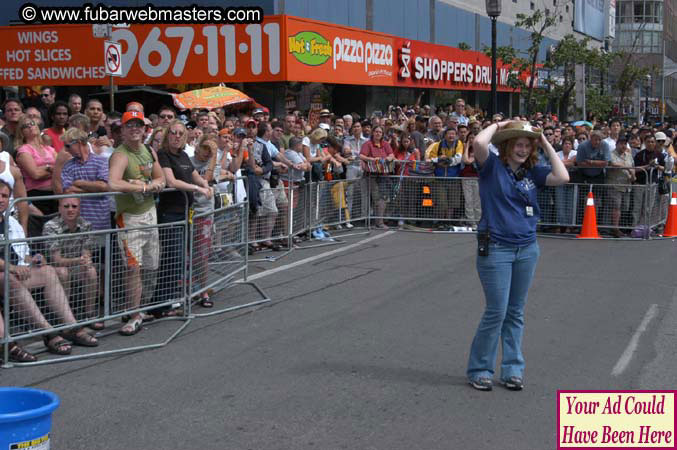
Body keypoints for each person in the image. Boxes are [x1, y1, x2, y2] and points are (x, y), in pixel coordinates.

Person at [467, 120, 569, 391]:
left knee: (515, 312)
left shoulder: (532, 173)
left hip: (527, 249)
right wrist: (498, 124)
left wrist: (544, 141)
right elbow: (478, 143)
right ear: (507, 146)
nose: (522, 150)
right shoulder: (491, 167)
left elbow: (563, 177)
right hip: (496, 248)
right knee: (496, 312)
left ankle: (512, 369)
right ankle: (480, 368)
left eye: (526, 145)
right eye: (518, 145)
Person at [0, 180, 99, 355]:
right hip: (5, 274)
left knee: (48, 271)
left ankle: (71, 327)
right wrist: (13, 267)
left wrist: (35, 259)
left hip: (14, 271)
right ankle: (49, 331)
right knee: (9, 277)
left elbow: (23, 254)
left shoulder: (11, 222)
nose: (1, 199)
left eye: (5, 196)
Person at [108, 110, 166, 335]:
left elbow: (160, 177)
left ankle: (140, 308)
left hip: (150, 213)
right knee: (133, 268)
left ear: (144, 129)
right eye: (129, 125)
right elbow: (113, 183)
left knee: (152, 265)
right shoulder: (120, 155)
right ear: (122, 130)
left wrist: (150, 184)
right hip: (129, 218)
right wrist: (142, 186)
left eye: (138, 125)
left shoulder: (148, 150)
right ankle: (133, 314)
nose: (134, 129)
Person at [155, 120, 212, 310]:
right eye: (173, 133)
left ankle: (167, 299)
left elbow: (194, 174)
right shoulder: (163, 154)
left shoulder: (184, 155)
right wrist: (198, 188)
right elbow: (171, 182)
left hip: (186, 211)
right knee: (173, 257)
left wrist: (204, 184)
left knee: (179, 257)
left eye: (180, 133)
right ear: (167, 135)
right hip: (171, 213)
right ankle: (163, 302)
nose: (177, 136)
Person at [43, 197, 101, 328]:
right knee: (63, 272)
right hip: (53, 267)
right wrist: (79, 260)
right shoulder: (50, 226)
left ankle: (89, 315)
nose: (70, 209)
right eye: (66, 206)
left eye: (74, 206)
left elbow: (87, 252)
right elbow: (56, 260)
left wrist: (86, 260)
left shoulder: (86, 225)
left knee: (91, 271)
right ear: (59, 209)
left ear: (79, 209)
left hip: (76, 265)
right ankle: (66, 318)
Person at [15, 115, 58, 215]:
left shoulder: (49, 148)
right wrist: (51, 168)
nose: (30, 127)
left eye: (32, 124)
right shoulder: (23, 150)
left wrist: (46, 169)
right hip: (37, 196)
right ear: (21, 132)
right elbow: (35, 174)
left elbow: (61, 169)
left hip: (55, 194)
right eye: (26, 126)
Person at [360, 125, 394, 229]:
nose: (378, 133)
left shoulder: (385, 144)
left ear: (382, 134)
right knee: (376, 198)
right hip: (372, 175)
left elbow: (392, 155)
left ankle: (380, 221)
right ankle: (379, 222)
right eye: (376, 131)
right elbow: (361, 155)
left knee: (383, 197)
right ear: (373, 133)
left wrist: (387, 158)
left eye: (380, 132)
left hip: (383, 174)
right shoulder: (368, 144)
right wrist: (372, 159)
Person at [607, 136, 635, 237]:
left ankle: (620, 227)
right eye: (621, 143)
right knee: (616, 207)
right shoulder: (611, 154)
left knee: (624, 208)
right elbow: (613, 164)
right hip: (615, 185)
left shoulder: (628, 155)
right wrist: (627, 168)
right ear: (616, 144)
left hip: (626, 185)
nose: (623, 146)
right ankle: (615, 228)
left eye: (625, 144)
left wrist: (633, 175)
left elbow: (632, 167)